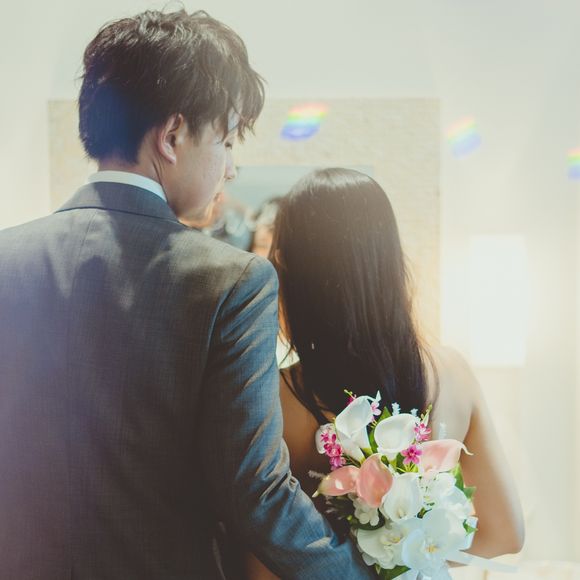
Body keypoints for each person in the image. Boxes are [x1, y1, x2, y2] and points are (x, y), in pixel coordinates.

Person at [0, 12, 374, 580]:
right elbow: (256, 493)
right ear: (172, 136)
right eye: (227, 140)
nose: (231, 167)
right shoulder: (231, 281)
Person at [246, 168, 525, 578]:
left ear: (295, 275)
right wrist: (410, 553)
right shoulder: (453, 373)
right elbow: (505, 534)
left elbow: (260, 567)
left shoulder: (280, 398)